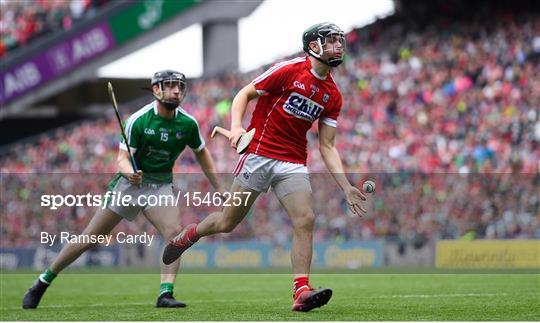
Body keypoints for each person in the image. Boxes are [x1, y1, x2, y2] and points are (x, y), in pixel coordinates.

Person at [162, 23, 367, 312]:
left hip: (292, 160)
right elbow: (243, 94)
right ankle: (190, 235)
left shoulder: (332, 95)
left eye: (339, 41)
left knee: (305, 219)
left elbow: (328, 146)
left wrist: (346, 187)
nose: (338, 46)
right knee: (226, 223)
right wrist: (236, 127)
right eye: (331, 41)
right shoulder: (288, 70)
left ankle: (301, 291)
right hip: (259, 153)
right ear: (313, 46)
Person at [22, 70, 224, 309]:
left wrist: (219, 185)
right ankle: (43, 281)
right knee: (89, 238)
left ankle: (165, 294)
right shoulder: (139, 120)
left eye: (180, 87)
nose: (177, 91)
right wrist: (129, 172)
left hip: (159, 186)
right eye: (170, 86)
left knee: (174, 234)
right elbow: (122, 159)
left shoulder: (188, 124)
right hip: (128, 186)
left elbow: (201, 151)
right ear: (156, 90)